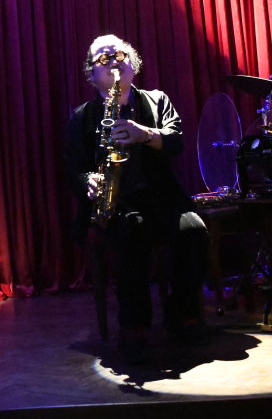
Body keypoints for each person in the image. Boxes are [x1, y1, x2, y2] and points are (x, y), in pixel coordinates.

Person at [63, 35, 208, 357]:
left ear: (133, 63)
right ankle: (135, 326)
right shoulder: (82, 117)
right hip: (118, 203)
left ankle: (181, 312)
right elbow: (75, 167)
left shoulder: (157, 101)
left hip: (161, 197)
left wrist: (145, 134)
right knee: (132, 232)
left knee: (194, 231)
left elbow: (176, 141)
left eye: (120, 55)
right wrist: (89, 181)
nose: (114, 62)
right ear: (91, 74)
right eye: (104, 59)